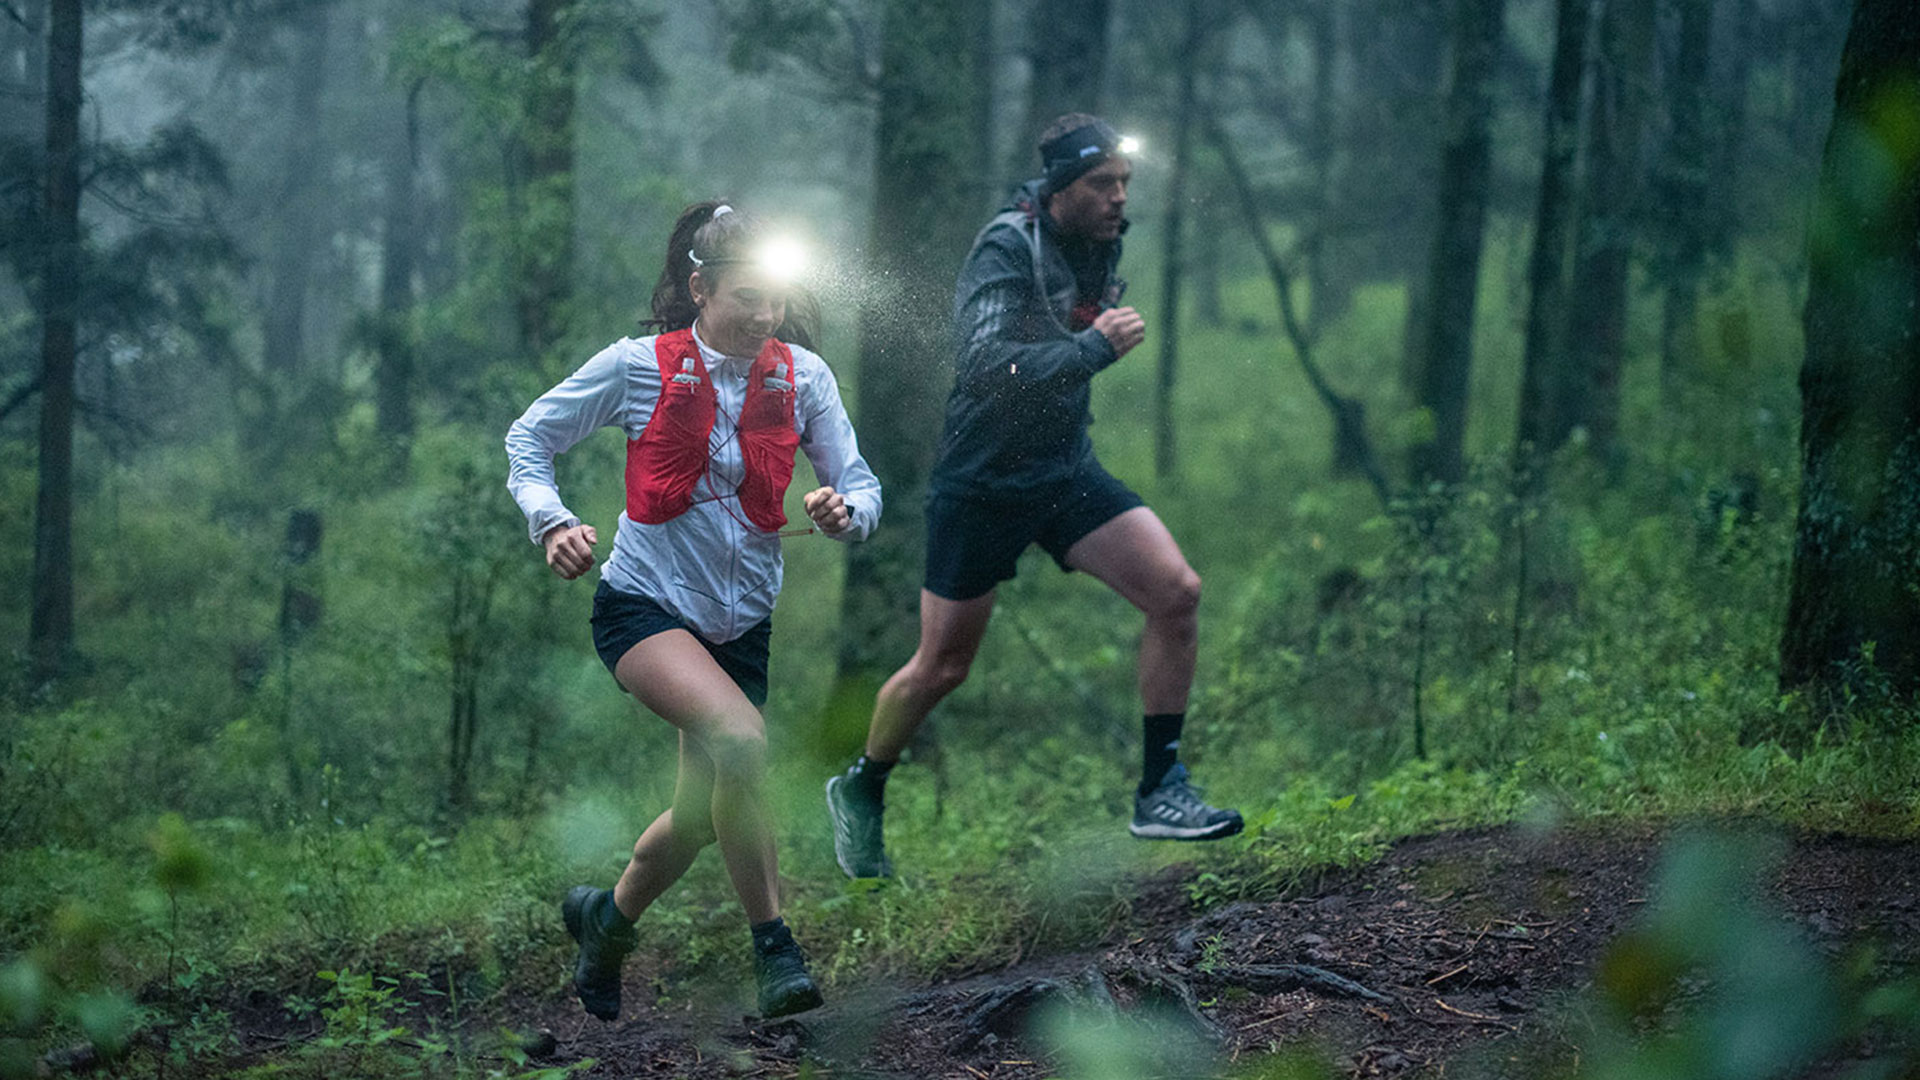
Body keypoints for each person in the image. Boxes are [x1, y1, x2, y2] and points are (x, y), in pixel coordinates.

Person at [824, 115, 1242, 880]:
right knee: (942, 667)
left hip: (1062, 471)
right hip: (982, 481)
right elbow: (983, 365)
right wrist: (1091, 348)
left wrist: (1085, 353)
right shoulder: (1006, 247)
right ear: (1059, 191)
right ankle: (862, 785)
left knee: (1176, 592)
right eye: (1102, 185)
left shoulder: (1101, 239)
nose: (1119, 198)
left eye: (1124, 183)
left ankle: (1160, 791)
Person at [506, 201, 881, 1019]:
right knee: (743, 741)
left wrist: (846, 513)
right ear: (700, 286)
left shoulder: (803, 376)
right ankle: (775, 953)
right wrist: (554, 522)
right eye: (747, 295)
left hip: (741, 626)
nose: (765, 315)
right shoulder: (637, 366)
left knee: (699, 816)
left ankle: (606, 921)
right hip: (642, 607)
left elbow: (860, 483)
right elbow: (528, 439)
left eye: (776, 297)